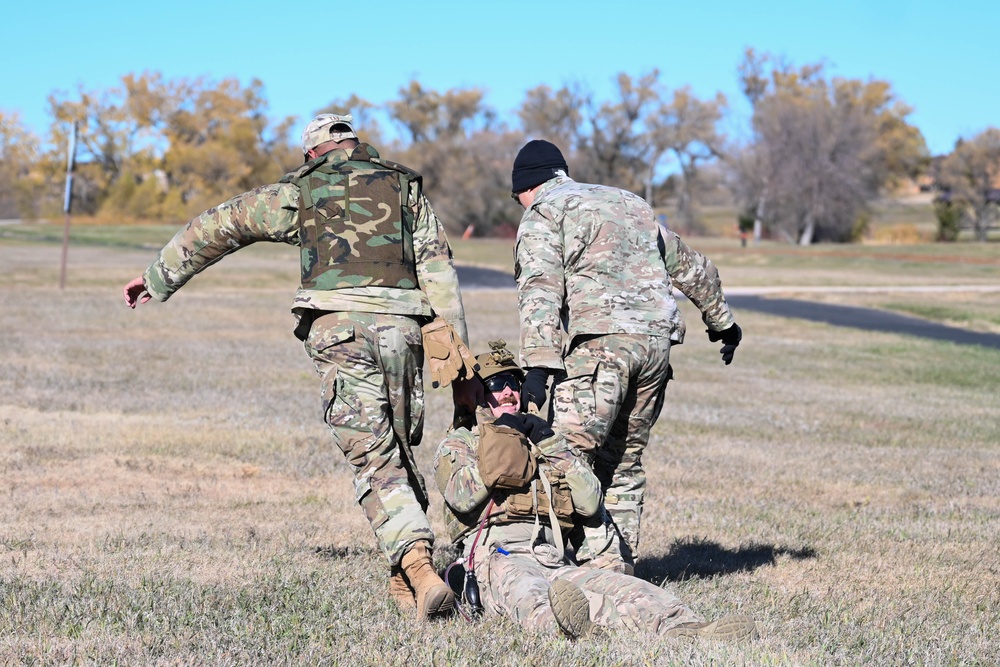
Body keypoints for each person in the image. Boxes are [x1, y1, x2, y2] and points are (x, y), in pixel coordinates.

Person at [123, 112, 483, 619]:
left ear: (312, 153)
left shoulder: (302, 191)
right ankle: (405, 580)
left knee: (374, 457)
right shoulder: (405, 188)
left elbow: (219, 225)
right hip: (403, 330)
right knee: (394, 450)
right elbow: (440, 271)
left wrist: (157, 279)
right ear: (358, 145)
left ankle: (419, 566)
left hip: (338, 329)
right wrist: (460, 368)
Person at [510, 139, 743, 572]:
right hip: (655, 347)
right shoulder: (630, 204)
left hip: (599, 346)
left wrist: (539, 365)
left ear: (527, 186)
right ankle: (618, 569)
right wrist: (723, 323)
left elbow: (540, 288)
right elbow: (694, 268)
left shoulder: (544, 211)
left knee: (566, 458)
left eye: (517, 197)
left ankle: (555, 568)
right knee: (624, 462)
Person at [433, 341, 756, 641]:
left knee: (629, 588)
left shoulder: (545, 441)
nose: (508, 392)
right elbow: (464, 499)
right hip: (498, 554)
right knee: (530, 595)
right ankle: (574, 631)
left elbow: (589, 503)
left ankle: (688, 628)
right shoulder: (461, 442)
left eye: (513, 384)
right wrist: (503, 441)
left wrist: (550, 442)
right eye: (495, 385)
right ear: (475, 395)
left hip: (554, 554)